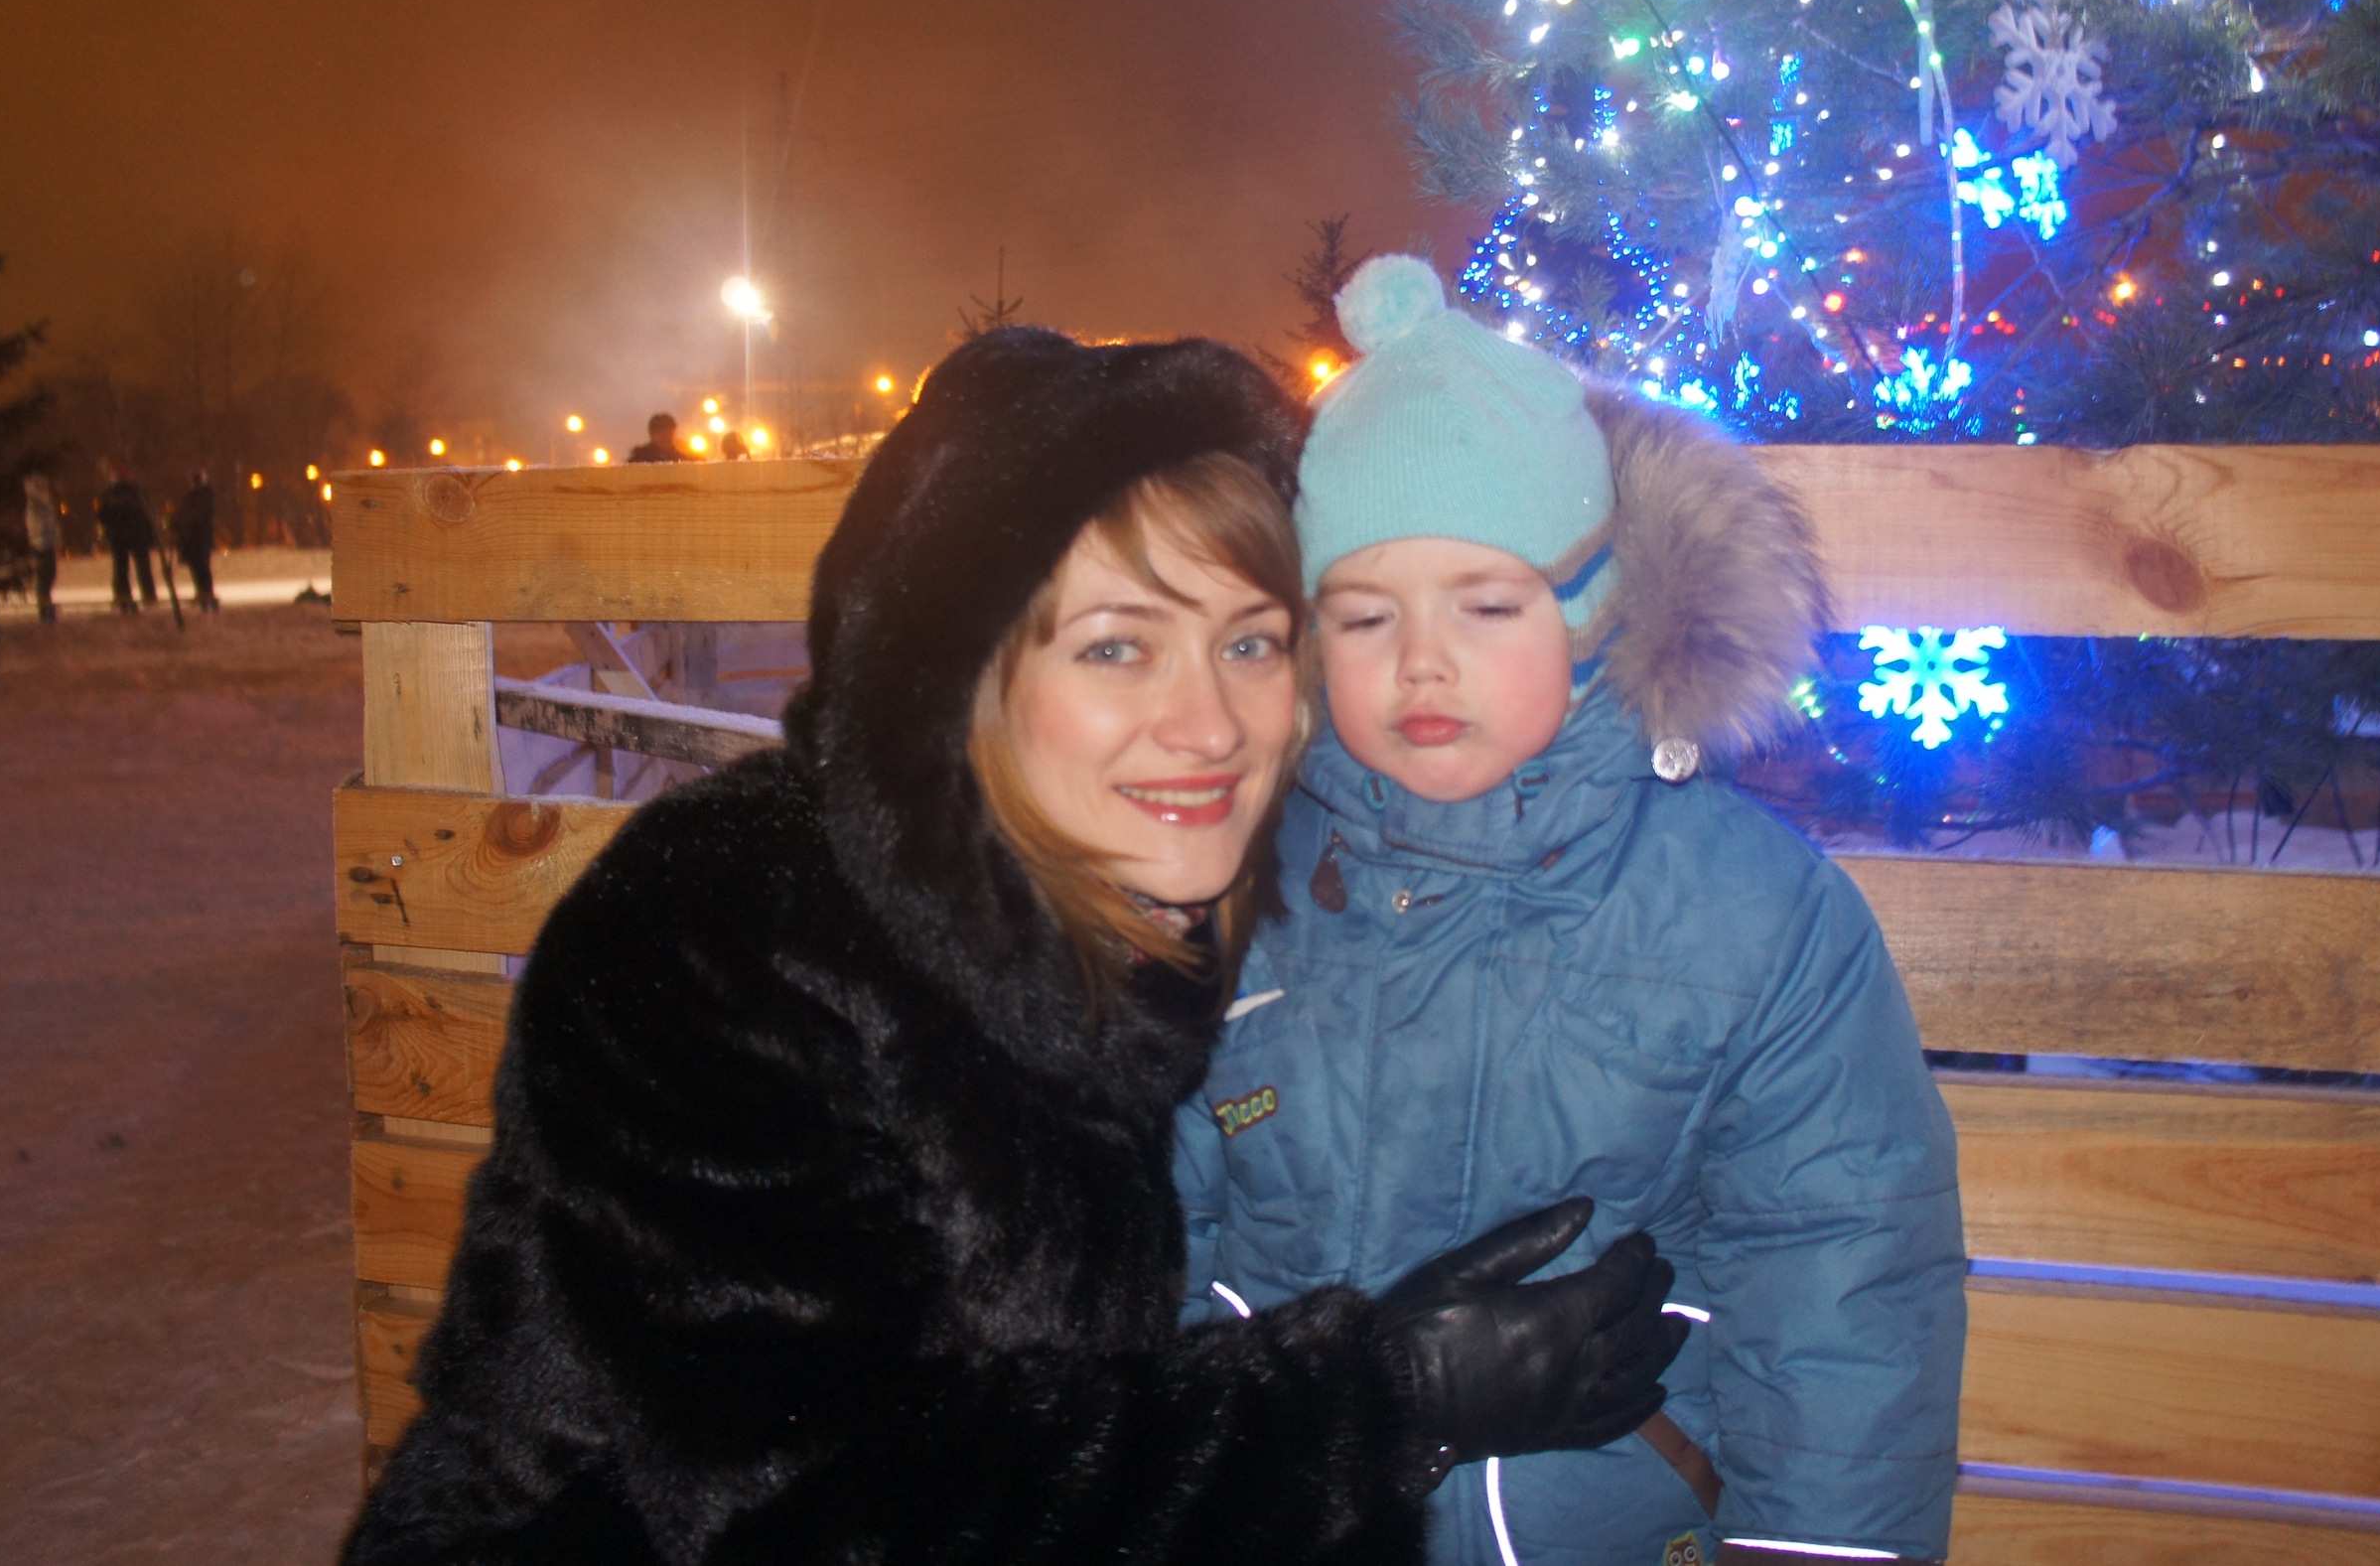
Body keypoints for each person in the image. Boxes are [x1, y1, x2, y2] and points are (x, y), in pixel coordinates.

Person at [345, 328, 1690, 1566]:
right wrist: (1380, 1404)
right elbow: (810, 1503)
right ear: (965, 679)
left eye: (1250, 643)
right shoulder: (720, 931)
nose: (1209, 725)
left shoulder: (1175, 904)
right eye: (1115, 649)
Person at [1176, 258, 1968, 1566]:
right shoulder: (1235, 895)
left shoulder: (1753, 918)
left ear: (1593, 614)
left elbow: (1842, 1291)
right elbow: (1159, 1246)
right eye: (1364, 617)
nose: (1422, 661)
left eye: (1488, 605)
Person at [94, 463, 158, 614]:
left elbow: (102, 515)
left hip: (118, 534)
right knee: (143, 565)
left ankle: (122, 594)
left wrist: (108, 528)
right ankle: (149, 593)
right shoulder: (137, 491)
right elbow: (148, 513)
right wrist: (150, 534)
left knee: (120, 566)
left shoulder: (108, 493)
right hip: (138, 533)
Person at [171, 470, 218, 613]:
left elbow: (193, 516)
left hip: (198, 537)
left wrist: (181, 524)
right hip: (193, 538)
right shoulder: (194, 497)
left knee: (201, 566)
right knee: (198, 566)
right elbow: (182, 514)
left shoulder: (202, 497)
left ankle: (206, 592)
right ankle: (203, 591)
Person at [24, 473, 61, 623]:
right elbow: (41, 522)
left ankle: (45, 603)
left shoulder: (44, 502)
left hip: (46, 540)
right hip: (40, 541)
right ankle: (44, 607)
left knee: (49, 574)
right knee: (44, 575)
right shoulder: (36, 502)